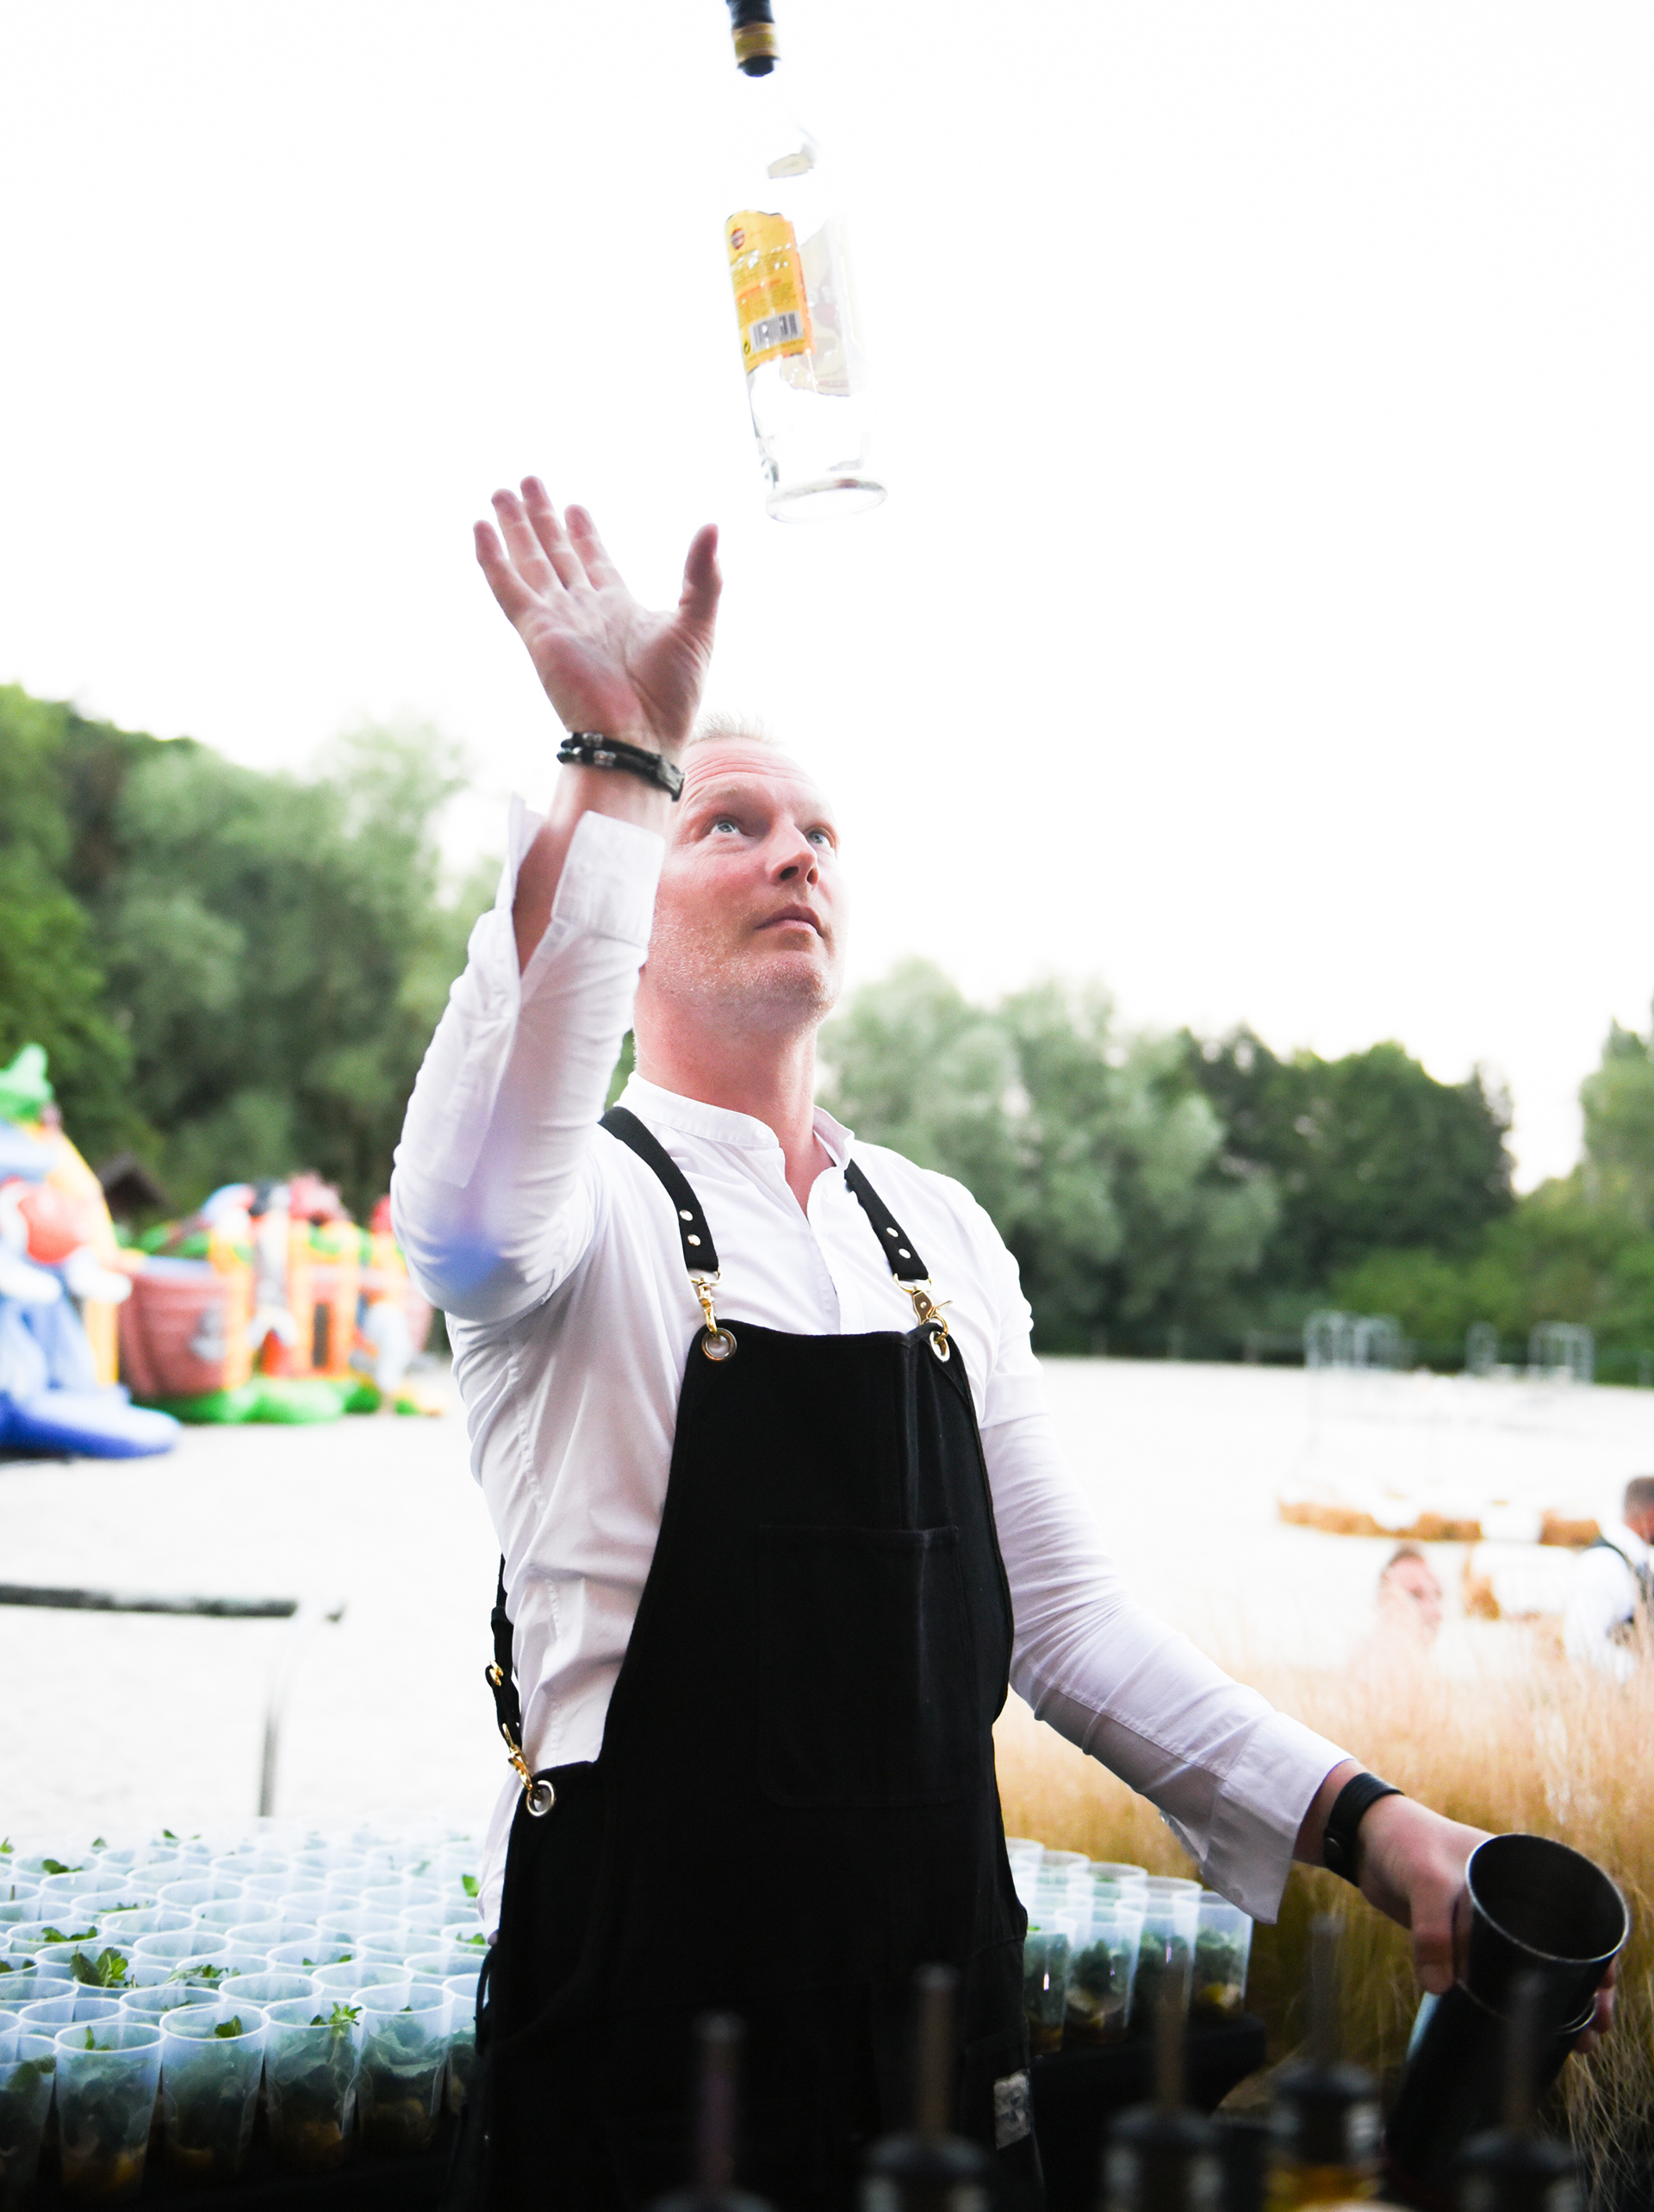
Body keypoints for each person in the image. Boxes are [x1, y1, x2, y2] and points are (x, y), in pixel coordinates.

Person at [391, 486, 1606, 2211]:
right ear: (624, 909)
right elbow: (452, 1214)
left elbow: (1071, 1625)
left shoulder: (937, 1235)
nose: (798, 854)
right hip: (646, 2040)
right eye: (730, 822)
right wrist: (617, 765)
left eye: (821, 832)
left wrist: (1372, 1820)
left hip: (944, 2031)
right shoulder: (577, 1209)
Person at [1564, 1476, 1654, 1678]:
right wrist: (1641, 1674)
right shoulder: (1602, 1564)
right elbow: (1583, 1647)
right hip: (1620, 1689)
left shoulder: (1633, 1560)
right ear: (1651, 1514)